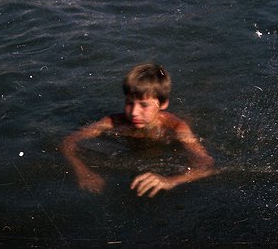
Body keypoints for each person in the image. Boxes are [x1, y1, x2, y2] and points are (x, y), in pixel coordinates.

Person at [61, 63, 215, 198]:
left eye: (144, 105)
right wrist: (83, 171)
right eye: (129, 103)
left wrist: (170, 180)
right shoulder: (112, 122)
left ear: (163, 104)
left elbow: (206, 164)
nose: (134, 112)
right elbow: (68, 142)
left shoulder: (176, 127)